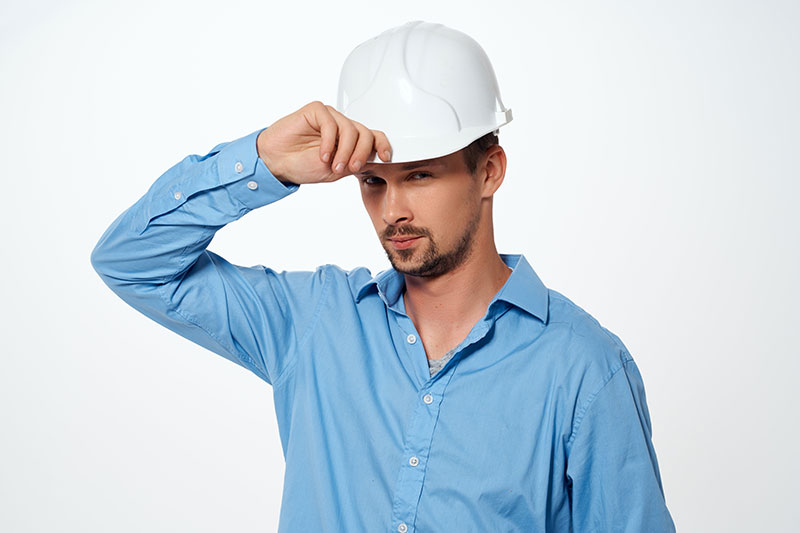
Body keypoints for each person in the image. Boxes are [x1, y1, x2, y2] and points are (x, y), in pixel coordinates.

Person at [91, 20, 675, 532]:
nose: (392, 210)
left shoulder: (584, 369)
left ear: (490, 171)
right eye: (373, 181)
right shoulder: (315, 322)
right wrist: (265, 161)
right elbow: (132, 263)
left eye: (419, 176)